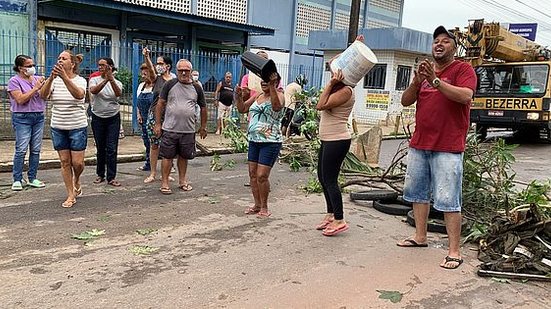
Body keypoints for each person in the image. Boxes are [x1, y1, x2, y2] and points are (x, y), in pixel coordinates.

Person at [397, 26, 477, 270]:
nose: (439, 44)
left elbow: (465, 96)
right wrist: (417, 81)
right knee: (418, 193)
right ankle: (420, 237)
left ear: (454, 47)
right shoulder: (425, 73)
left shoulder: (463, 69)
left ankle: (454, 251)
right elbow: (406, 101)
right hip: (420, 143)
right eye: (436, 41)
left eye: (445, 41)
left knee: (448, 198)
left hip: (448, 146)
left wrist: (435, 80)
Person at [39, 50, 88, 208]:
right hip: (58, 126)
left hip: (77, 126)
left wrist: (64, 77)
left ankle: (77, 179)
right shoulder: (54, 80)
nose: (60, 60)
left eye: (64, 58)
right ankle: (70, 194)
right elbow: (42, 95)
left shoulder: (80, 80)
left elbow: (79, 95)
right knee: (65, 162)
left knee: (78, 163)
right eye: (59, 58)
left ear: (72, 64)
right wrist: (51, 78)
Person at [154, 59, 207, 194]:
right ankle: (165, 183)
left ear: (190, 71)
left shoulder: (196, 87)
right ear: (176, 71)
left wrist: (203, 127)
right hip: (170, 129)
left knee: (184, 157)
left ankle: (182, 181)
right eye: (180, 70)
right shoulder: (169, 84)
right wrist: (158, 124)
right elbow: (160, 104)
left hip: (188, 130)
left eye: (187, 70)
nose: (184, 72)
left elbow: (203, 108)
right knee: (167, 157)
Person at [236, 72, 285, 218]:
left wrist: (272, 87)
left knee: (262, 175)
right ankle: (257, 205)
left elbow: (276, 107)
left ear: (275, 82)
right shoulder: (257, 95)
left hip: (270, 142)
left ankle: (264, 207)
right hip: (254, 140)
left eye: (267, 81)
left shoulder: (280, 95)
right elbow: (242, 109)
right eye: (262, 81)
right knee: (252, 174)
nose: (263, 83)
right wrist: (238, 96)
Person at [7, 55, 47, 191]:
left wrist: (46, 85)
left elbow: (45, 95)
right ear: (20, 68)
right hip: (22, 117)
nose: (32, 68)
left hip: (39, 116)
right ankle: (17, 179)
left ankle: (32, 177)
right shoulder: (14, 81)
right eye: (29, 66)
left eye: (33, 65)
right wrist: (35, 88)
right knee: (21, 149)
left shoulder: (37, 79)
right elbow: (20, 99)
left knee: (35, 149)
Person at [89, 57, 123, 187]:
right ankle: (100, 174)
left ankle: (111, 176)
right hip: (98, 117)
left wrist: (111, 79)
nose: (100, 67)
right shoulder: (94, 80)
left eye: (103, 65)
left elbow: (118, 93)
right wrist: (105, 81)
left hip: (113, 117)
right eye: (99, 65)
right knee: (100, 147)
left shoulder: (117, 82)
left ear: (110, 67)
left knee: (111, 148)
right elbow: (94, 91)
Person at [142, 50, 175, 183]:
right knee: (154, 146)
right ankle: (153, 173)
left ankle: (166, 174)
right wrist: (146, 57)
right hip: (154, 117)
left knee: (168, 146)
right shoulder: (157, 79)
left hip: (170, 117)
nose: (158, 65)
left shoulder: (174, 81)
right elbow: (150, 68)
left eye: (161, 63)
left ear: (168, 66)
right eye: (157, 63)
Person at [136, 59, 156, 174]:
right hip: (143, 118)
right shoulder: (141, 86)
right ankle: (148, 164)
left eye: (146, 73)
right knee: (146, 142)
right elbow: (137, 102)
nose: (143, 75)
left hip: (154, 118)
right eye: (142, 73)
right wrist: (138, 114)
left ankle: (169, 164)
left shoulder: (156, 86)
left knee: (158, 142)